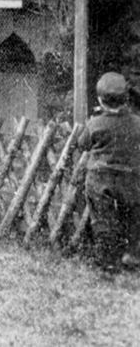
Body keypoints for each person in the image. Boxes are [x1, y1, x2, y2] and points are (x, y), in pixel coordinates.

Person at [79, 72, 140, 273]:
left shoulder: (95, 123)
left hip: (100, 178)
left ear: (100, 100)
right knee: (131, 216)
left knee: (103, 219)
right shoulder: (137, 123)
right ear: (126, 99)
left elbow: (83, 144)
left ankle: (108, 261)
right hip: (130, 178)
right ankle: (130, 255)